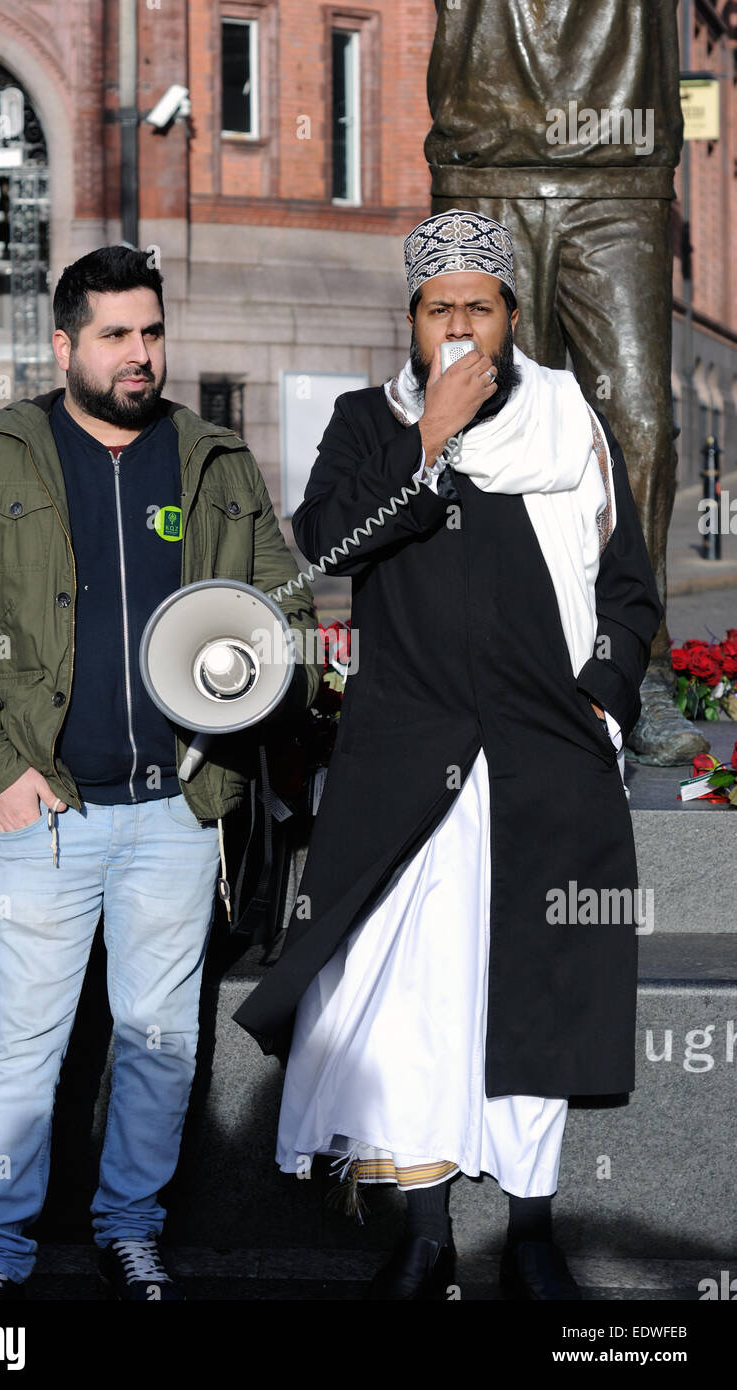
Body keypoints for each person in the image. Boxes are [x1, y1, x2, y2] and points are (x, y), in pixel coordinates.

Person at [234, 210, 663, 1301]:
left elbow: (626, 586)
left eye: (480, 306)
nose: (460, 327)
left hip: (545, 758)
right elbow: (324, 544)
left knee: (539, 988)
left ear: (514, 317)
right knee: (412, 1000)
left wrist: (604, 705)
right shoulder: (367, 425)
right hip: (406, 761)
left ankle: (528, 1233)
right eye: (440, 310)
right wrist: (428, 440)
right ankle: (421, 1232)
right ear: (411, 322)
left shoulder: (572, 421)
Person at [0, 245, 320, 1301]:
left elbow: (286, 603)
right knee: (23, 1043)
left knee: (158, 1044)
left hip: (177, 808)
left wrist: (262, 661)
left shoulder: (213, 455)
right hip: (45, 806)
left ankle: (130, 1229)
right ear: (64, 344)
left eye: (153, 332)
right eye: (116, 336)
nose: (142, 356)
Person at [424, 0, 701, 766]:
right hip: (481, 165)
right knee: (485, 423)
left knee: (639, 425)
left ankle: (636, 664)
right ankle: (496, 666)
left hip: (620, 172)